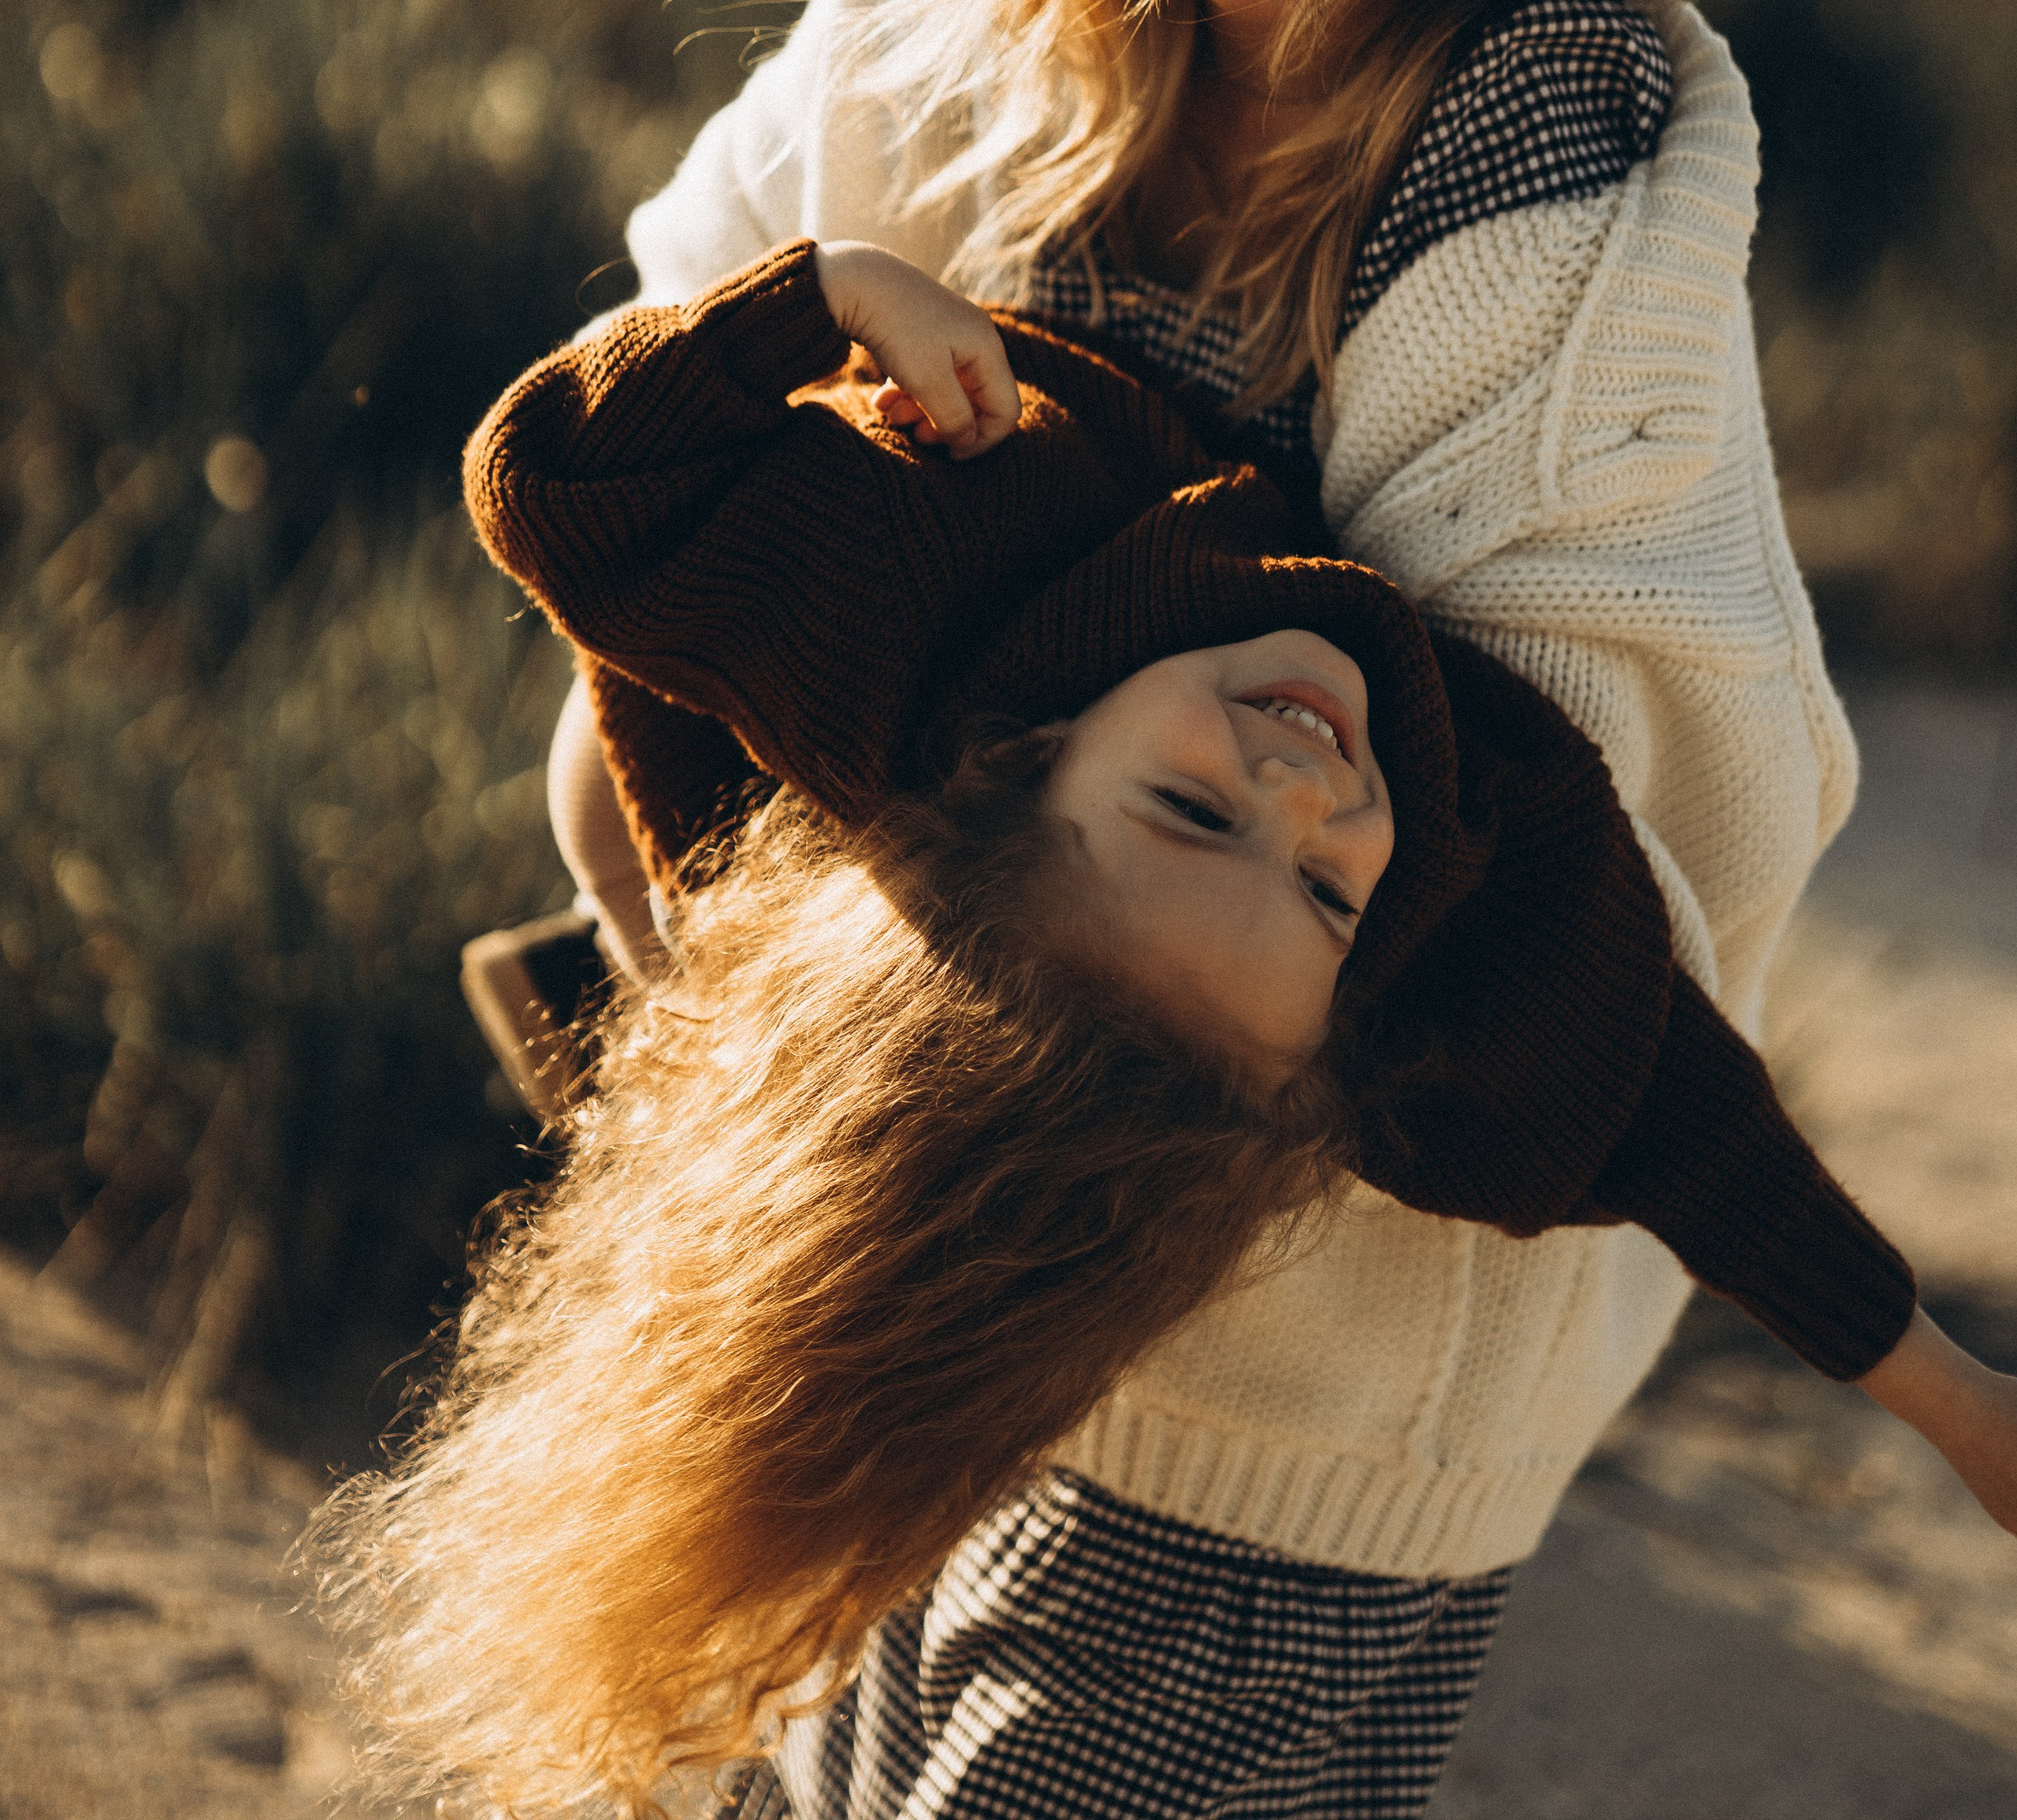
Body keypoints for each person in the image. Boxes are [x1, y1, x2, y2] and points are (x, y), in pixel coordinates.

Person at [329, 238, 2017, 1820]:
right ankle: (674, 1018)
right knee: (717, 946)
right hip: (837, 846)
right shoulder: (1473, 937)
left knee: (609, 814)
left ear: (1020, 758)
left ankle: (669, 1020)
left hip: (753, 723)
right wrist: (1958, 1406)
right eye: (1320, 892)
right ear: (1345, 1026)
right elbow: (1684, 1132)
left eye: (1195, 812)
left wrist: (823, 293)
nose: (1305, 787)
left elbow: (553, 482)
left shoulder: (905, 605)